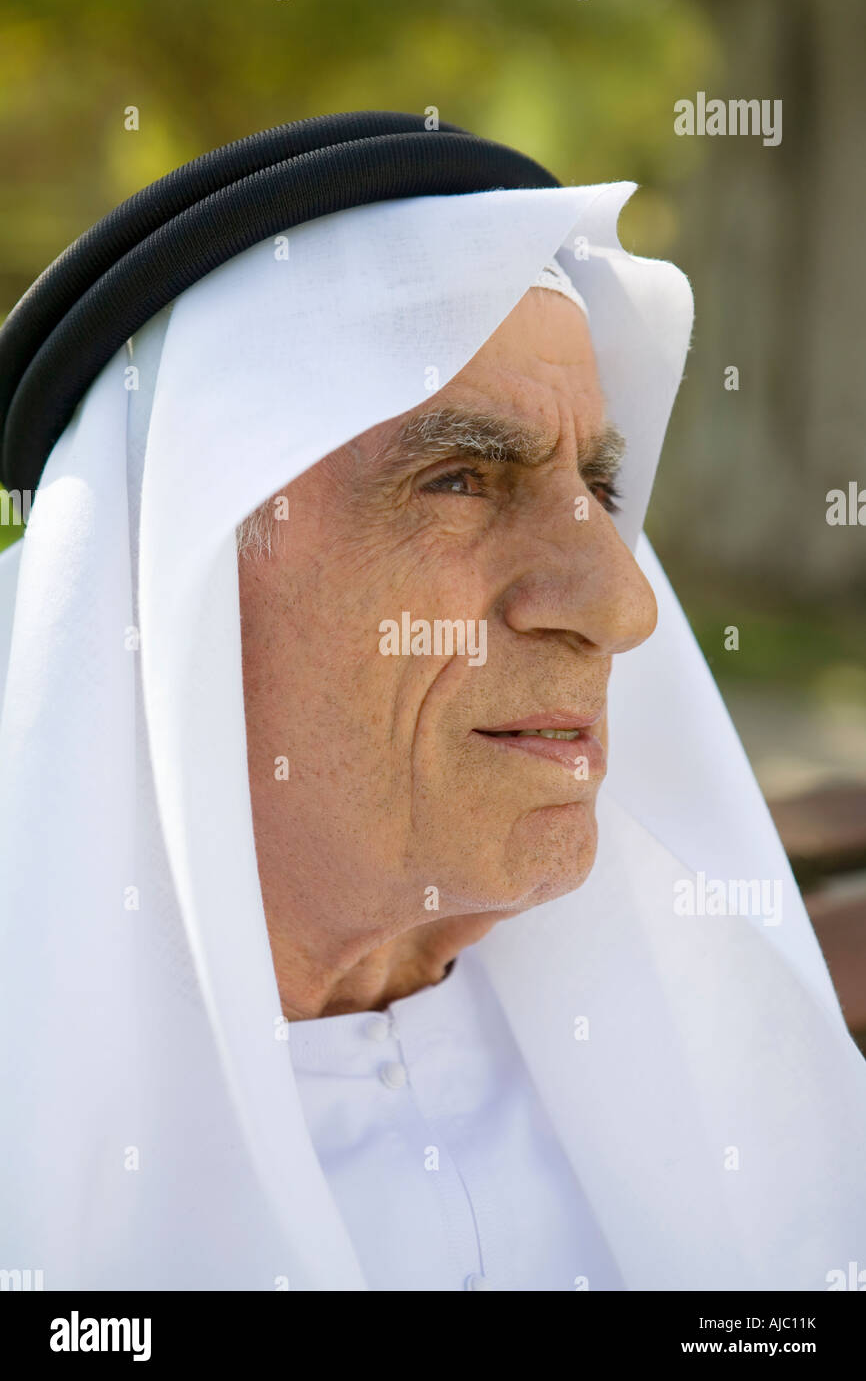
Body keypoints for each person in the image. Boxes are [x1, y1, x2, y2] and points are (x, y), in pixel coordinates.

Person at [0, 112, 864, 1292]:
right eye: (458, 479)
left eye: (596, 488)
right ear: (174, 581)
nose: (618, 605)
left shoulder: (719, 1087)